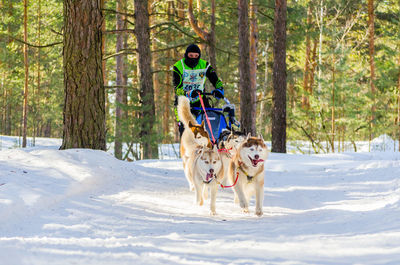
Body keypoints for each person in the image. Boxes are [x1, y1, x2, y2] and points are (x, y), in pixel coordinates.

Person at [173, 44, 224, 136]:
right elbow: (177, 89)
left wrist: (219, 89)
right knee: (186, 131)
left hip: (200, 100)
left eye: (196, 56)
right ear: (186, 55)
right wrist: (188, 93)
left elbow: (215, 80)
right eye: (191, 56)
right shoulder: (178, 66)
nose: (193, 58)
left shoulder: (205, 65)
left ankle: (209, 148)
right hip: (184, 102)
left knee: (207, 128)